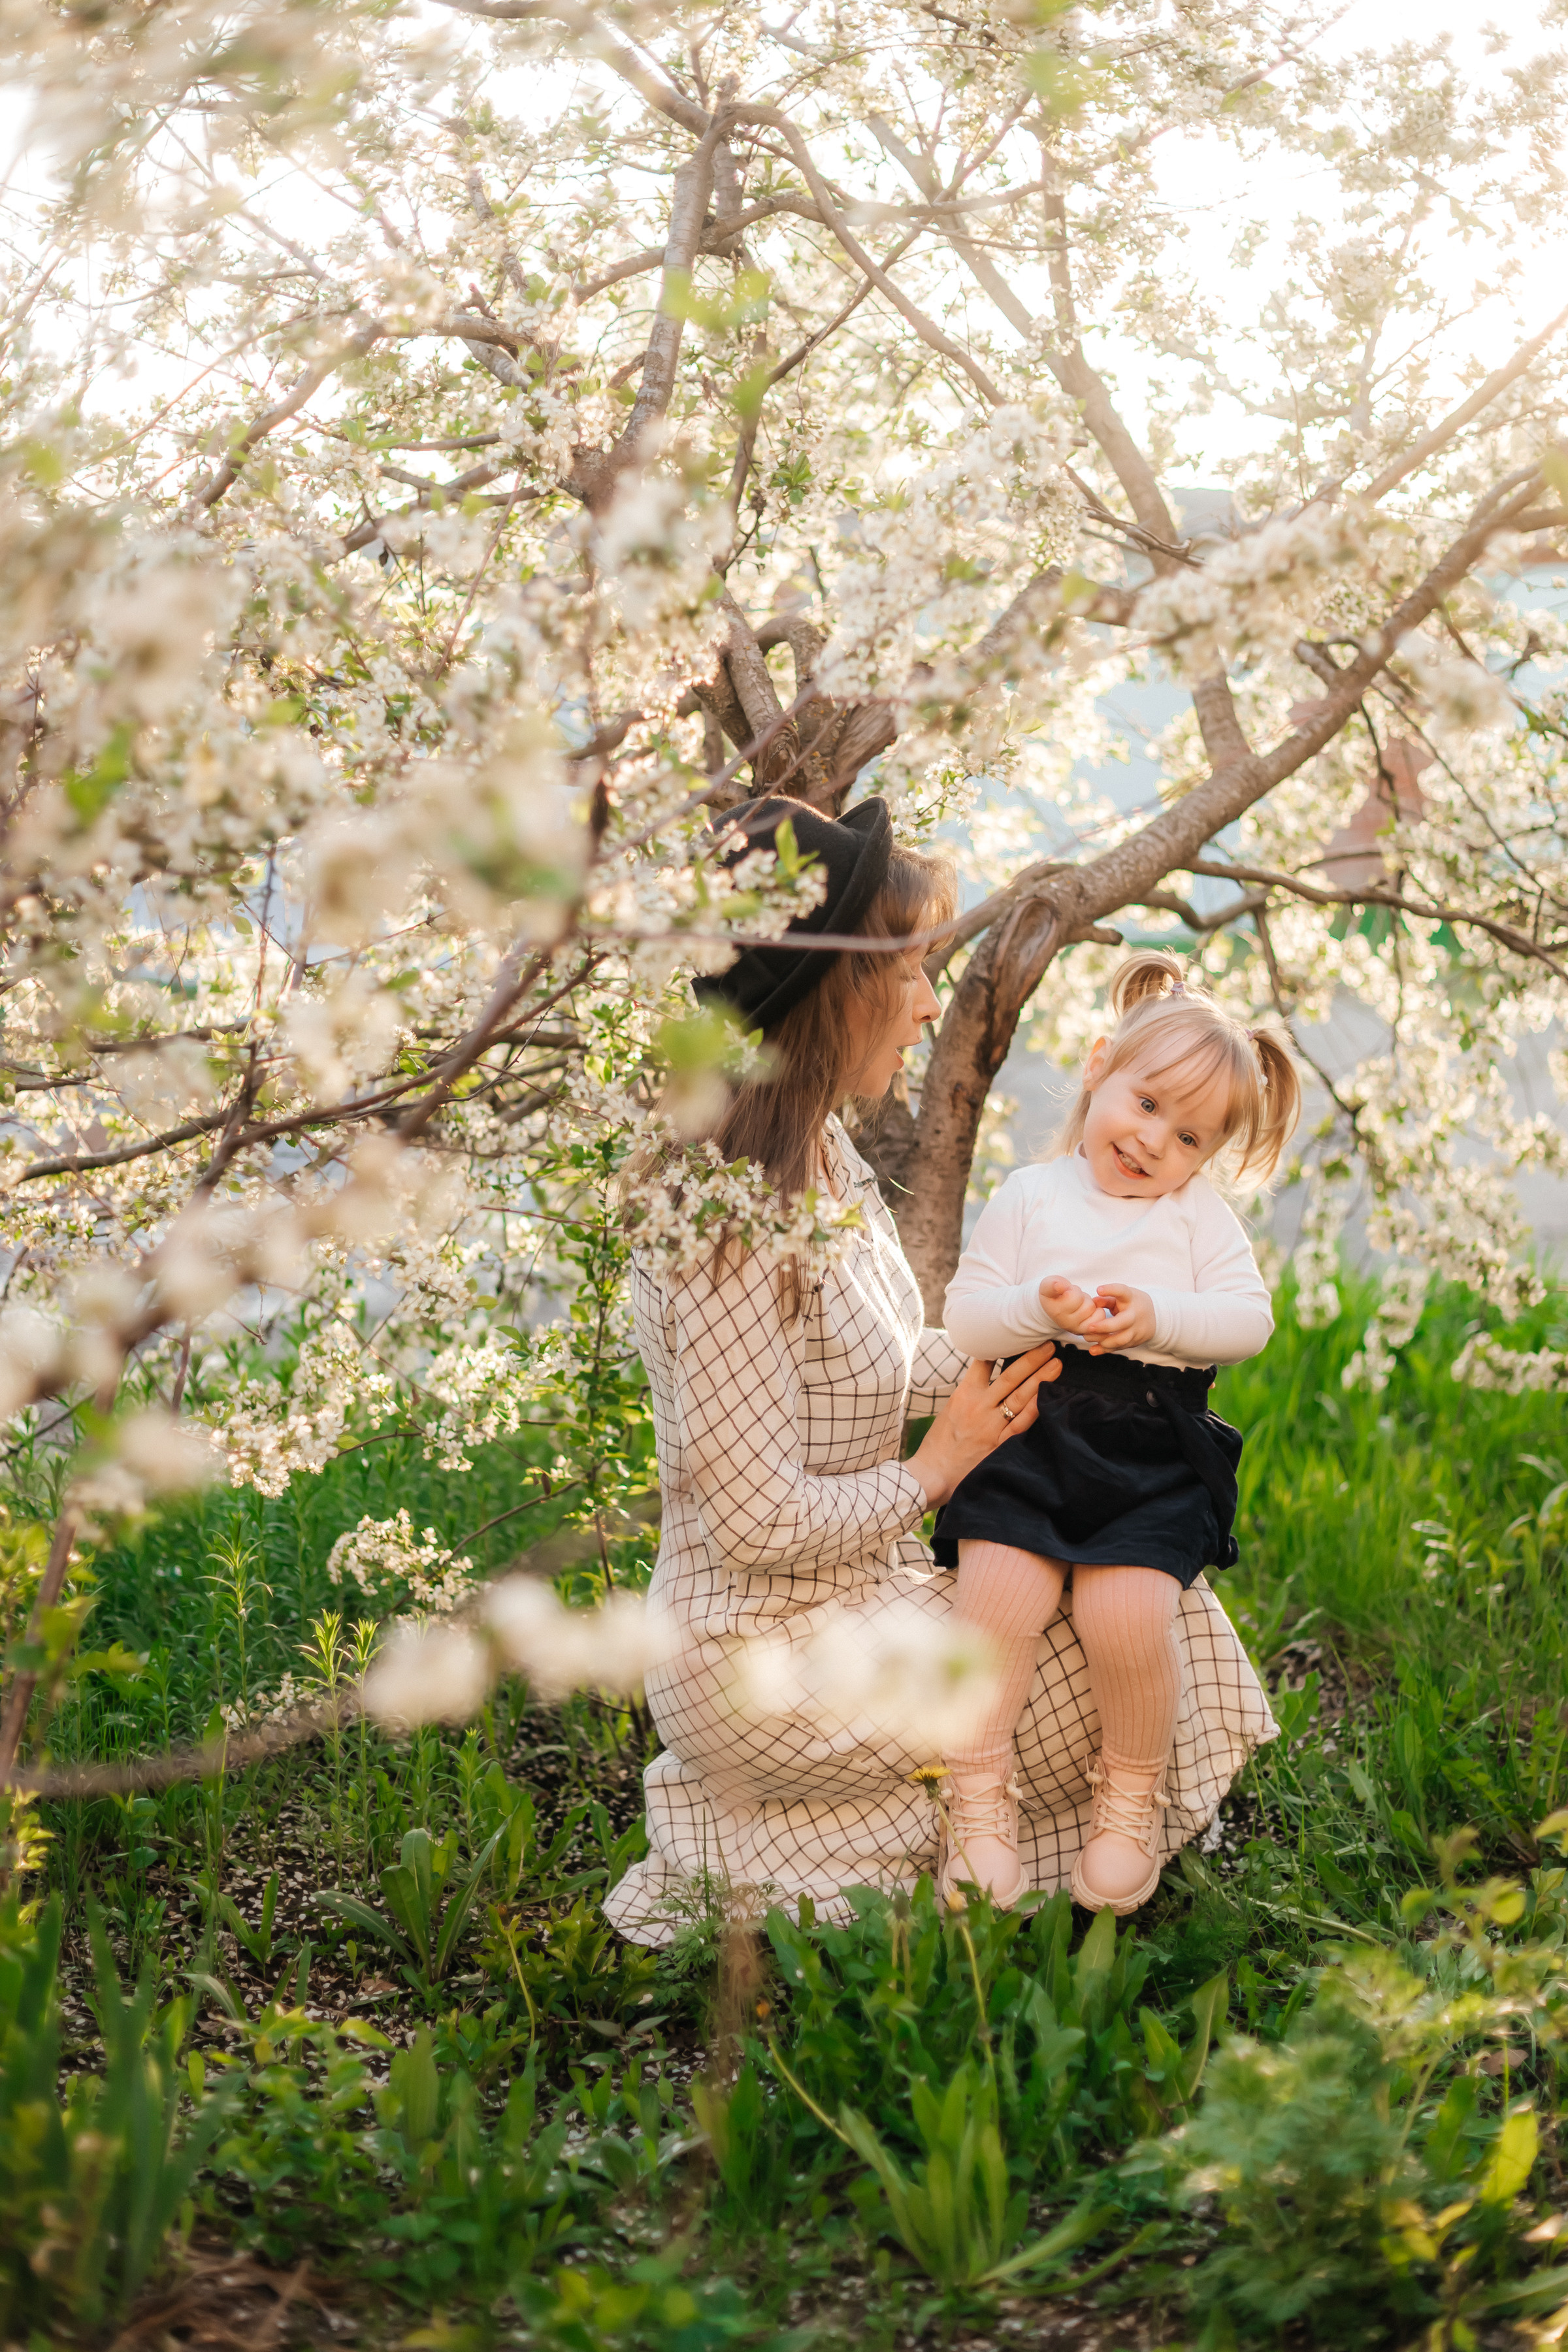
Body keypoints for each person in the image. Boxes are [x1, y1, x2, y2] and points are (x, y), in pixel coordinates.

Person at [603, 799, 1278, 1944]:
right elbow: (756, 1522)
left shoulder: (816, 1152)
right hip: (759, 1653)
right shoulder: (724, 1226)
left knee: (1127, 1594)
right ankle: (999, 1834)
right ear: (835, 988)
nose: (929, 1003)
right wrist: (938, 1470)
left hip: (852, 1588)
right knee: (1114, 1654)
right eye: (911, 971)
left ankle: (1009, 1822)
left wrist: (1045, 1341)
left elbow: (882, 1361)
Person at [930, 951, 1301, 1916]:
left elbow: (1249, 1322)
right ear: (1099, 1065)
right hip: (1029, 1435)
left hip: (1148, 1452)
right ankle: (978, 1804)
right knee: (995, 1605)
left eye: (1185, 1137)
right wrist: (1035, 1306)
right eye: (1144, 1106)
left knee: (1126, 1616)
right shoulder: (1032, 1196)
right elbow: (967, 1319)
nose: (1152, 1144)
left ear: (1204, 1160)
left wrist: (1157, 1319)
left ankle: (1128, 1797)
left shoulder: (1196, 1219)